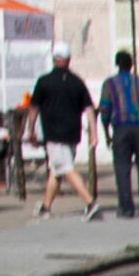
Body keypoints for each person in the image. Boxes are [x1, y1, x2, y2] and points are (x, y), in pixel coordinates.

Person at [24, 45, 97, 214]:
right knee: (56, 170)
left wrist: (30, 130)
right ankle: (46, 206)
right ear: (69, 59)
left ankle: (90, 202)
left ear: (53, 59)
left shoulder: (44, 81)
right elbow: (89, 108)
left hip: (54, 134)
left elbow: (33, 108)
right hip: (72, 133)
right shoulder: (77, 82)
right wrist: (93, 132)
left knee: (65, 167)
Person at [96, 48, 139, 220]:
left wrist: (107, 134)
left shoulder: (109, 84)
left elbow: (105, 110)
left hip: (121, 128)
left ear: (117, 64)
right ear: (131, 65)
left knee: (122, 168)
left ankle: (126, 207)